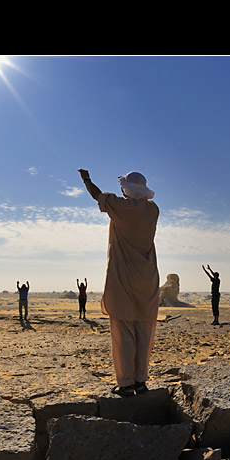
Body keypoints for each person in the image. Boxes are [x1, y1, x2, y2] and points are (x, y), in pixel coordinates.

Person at [79, 168, 159, 396]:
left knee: (123, 332)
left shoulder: (122, 208)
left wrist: (86, 178)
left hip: (124, 278)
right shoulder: (153, 210)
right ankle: (141, 381)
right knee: (144, 331)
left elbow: (97, 195)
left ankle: (125, 383)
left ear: (128, 190)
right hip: (147, 278)